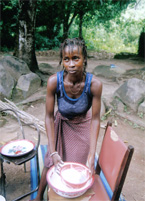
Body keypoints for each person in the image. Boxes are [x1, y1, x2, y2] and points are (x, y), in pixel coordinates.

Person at [34, 37, 102, 201]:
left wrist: (92, 154)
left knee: (78, 169)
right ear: (62, 61)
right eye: (67, 59)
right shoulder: (53, 82)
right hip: (61, 123)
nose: (71, 64)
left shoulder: (94, 85)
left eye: (76, 58)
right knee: (51, 161)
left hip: (82, 125)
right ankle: (38, 197)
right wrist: (53, 150)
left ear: (84, 59)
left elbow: (95, 119)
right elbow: (49, 117)